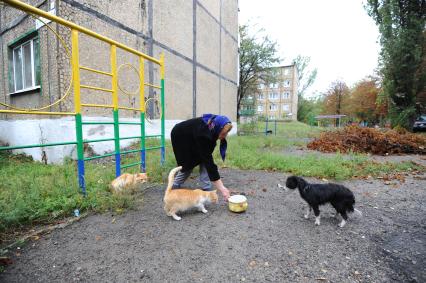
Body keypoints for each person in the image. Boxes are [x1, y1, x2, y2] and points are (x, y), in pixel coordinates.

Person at [170, 114, 233, 201]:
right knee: (188, 164)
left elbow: (207, 158)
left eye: (226, 133)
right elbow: (209, 162)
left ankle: (206, 188)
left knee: (204, 160)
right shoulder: (204, 134)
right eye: (223, 133)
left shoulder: (215, 125)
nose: (225, 136)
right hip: (180, 135)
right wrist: (222, 188)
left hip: (193, 134)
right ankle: (173, 186)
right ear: (217, 129)